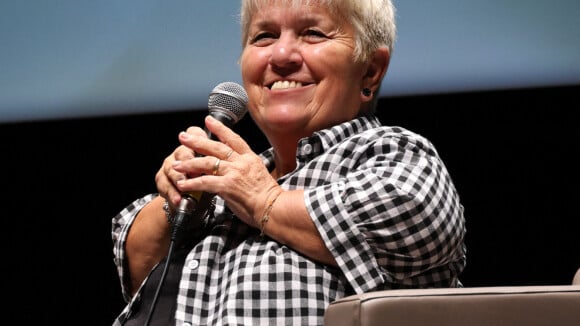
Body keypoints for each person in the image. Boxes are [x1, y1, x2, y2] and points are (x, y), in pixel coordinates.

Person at [112, 0, 467, 325]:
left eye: (312, 33)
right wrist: (178, 201)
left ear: (371, 71)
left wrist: (265, 201)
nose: (281, 55)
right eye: (264, 36)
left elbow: (418, 216)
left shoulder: (393, 155)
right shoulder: (232, 180)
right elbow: (133, 259)